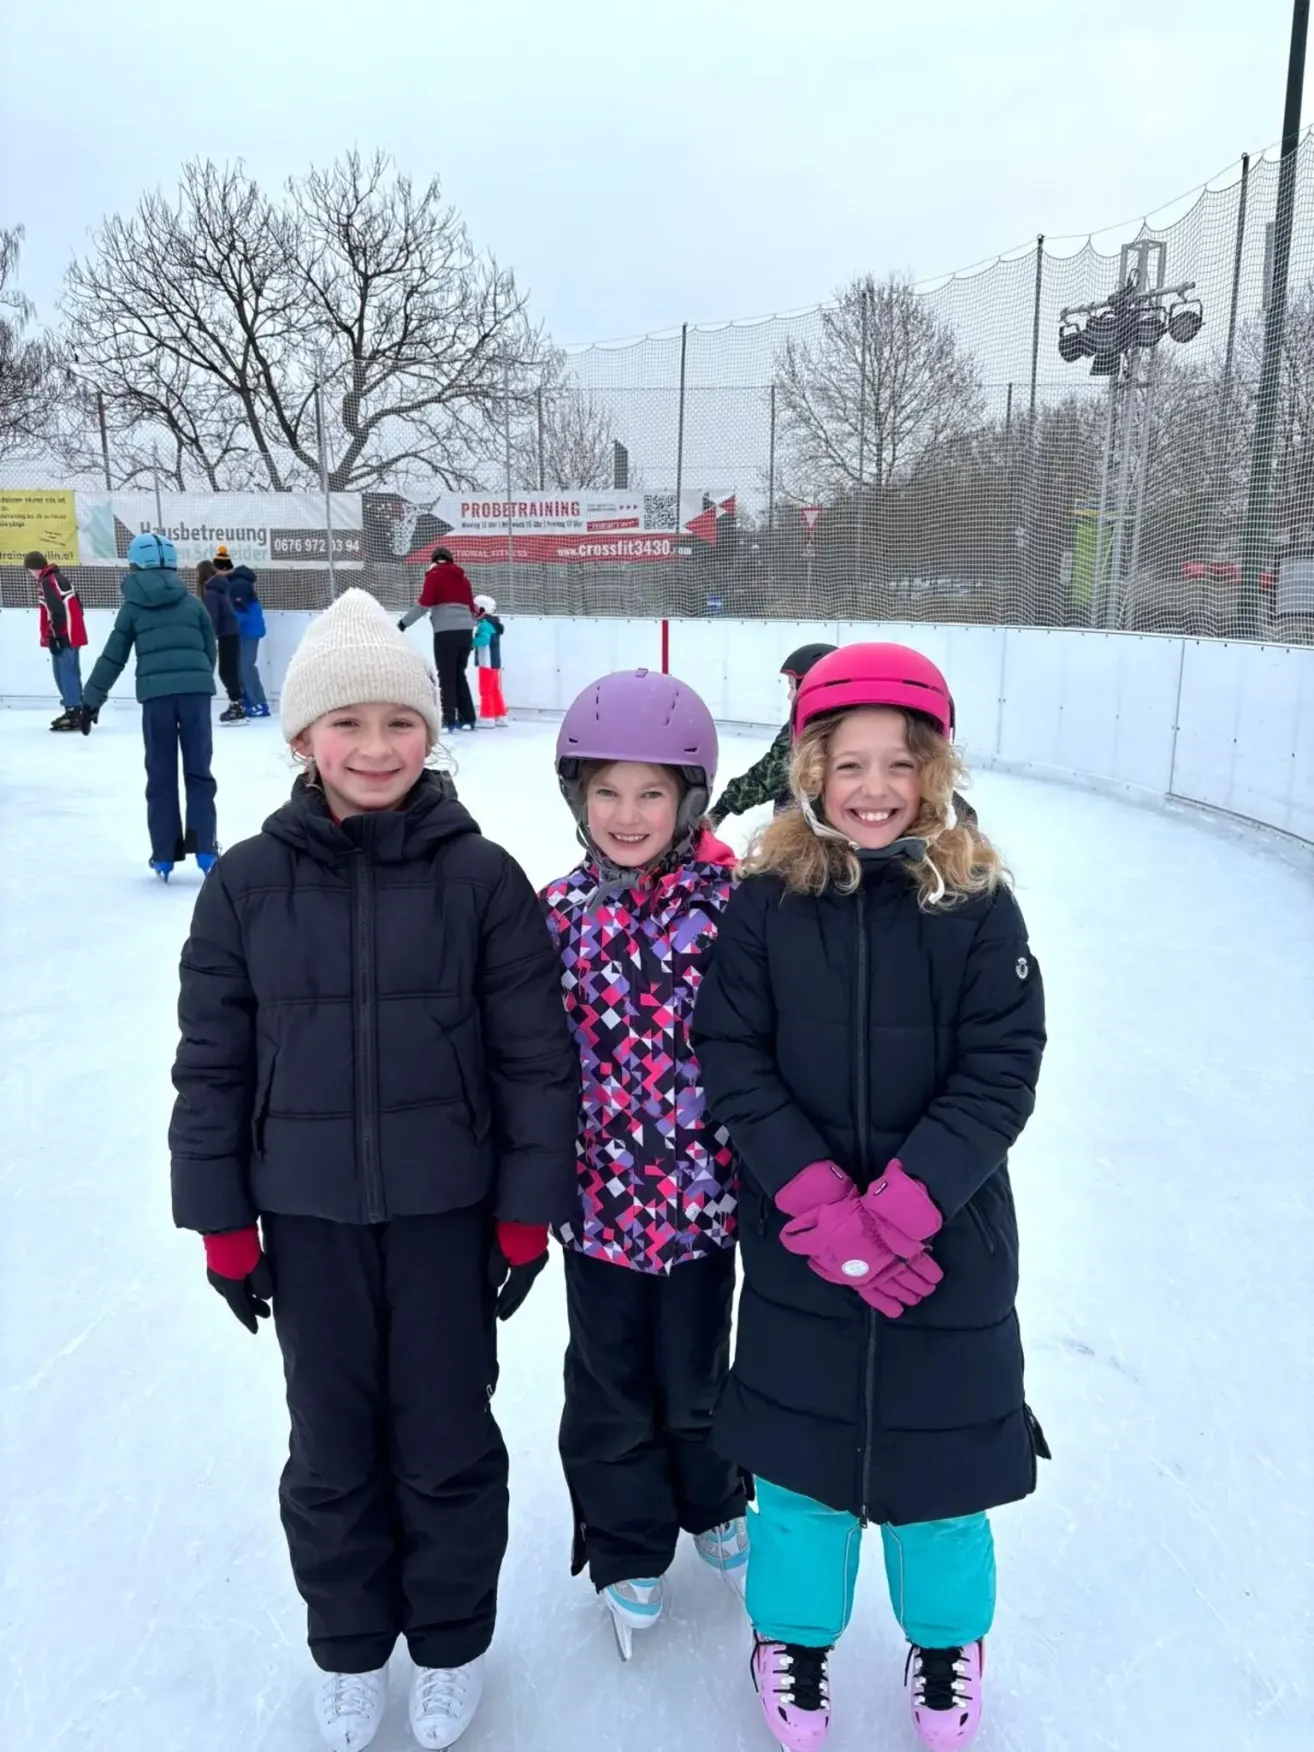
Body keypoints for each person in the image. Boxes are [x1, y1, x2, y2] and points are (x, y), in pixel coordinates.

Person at [168, 588, 579, 1752]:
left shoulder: (484, 881)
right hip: (307, 1221)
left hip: (450, 1214)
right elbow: (212, 1065)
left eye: (399, 723)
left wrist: (521, 1218)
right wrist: (221, 1225)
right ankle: (350, 1649)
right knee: (334, 1447)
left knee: (448, 1438)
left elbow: (534, 1063)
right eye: (346, 725)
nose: (376, 748)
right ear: (302, 741)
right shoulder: (246, 885)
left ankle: (448, 1646)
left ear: (429, 731)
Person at [691, 644, 1048, 1751]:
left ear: (934, 769)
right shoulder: (765, 903)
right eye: (850, 764)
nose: (875, 787)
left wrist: (894, 1214)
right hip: (801, 1246)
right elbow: (732, 1056)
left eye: (900, 763)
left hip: (948, 1246)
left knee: (945, 1470)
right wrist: (824, 1209)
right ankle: (790, 1637)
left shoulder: (979, 905)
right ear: (809, 768)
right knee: (799, 1472)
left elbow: (1002, 1069)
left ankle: (946, 1645)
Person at [541, 668, 749, 1659]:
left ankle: (713, 1495)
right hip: (596, 1216)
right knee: (610, 1387)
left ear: (690, 802)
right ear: (578, 800)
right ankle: (626, 1547)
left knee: (699, 1378)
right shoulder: (558, 915)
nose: (627, 815)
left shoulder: (734, 912)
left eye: (652, 793)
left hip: (708, 1210)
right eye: (607, 793)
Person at [78, 532, 220, 882]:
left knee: (161, 773)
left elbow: (113, 657)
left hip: (156, 699)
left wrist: (91, 700)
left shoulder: (133, 609)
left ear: (135, 565)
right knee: (199, 771)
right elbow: (209, 650)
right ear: (172, 565)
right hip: (195, 696)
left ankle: (164, 855)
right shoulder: (192, 604)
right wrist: (198, 681)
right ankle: (204, 847)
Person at [707, 643, 835, 827]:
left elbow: (769, 776)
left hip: (805, 835)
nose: (790, 696)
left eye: (793, 687)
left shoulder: (806, 731)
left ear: (814, 688)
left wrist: (722, 807)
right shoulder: (847, 724)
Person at [399, 546, 477, 732]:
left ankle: (448, 719)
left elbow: (423, 604)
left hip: (446, 631)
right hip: (466, 630)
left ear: (434, 560)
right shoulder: (463, 578)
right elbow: (471, 606)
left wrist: (403, 623)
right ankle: (468, 719)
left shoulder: (434, 576)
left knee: (446, 675)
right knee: (459, 673)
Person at [25, 549, 88, 731]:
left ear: (34, 568)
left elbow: (57, 611)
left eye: (29, 570)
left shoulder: (48, 581)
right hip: (69, 633)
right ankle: (75, 708)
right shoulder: (55, 578)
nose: (29, 574)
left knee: (64, 673)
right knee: (67, 671)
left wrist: (57, 635)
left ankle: (74, 711)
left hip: (64, 635)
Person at [213, 544, 270, 718]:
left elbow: (240, 612)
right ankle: (251, 701)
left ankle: (256, 703)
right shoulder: (239, 583)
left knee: (246, 666)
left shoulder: (237, 585)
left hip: (247, 633)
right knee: (242, 666)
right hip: (248, 631)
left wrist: (226, 627)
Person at [196, 558, 246, 724]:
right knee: (229, 670)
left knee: (227, 671)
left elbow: (212, 619)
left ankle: (237, 707)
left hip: (227, 634)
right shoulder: (220, 588)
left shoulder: (211, 593)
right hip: (231, 633)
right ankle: (237, 704)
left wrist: (207, 636)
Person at [471, 593, 507, 727]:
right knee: (495, 689)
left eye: (475, 609)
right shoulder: (494, 624)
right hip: (494, 663)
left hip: (486, 662)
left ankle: (487, 716)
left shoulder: (484, 625)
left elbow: (484, 640)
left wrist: (471, 642)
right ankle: (500, 715)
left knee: (485, 690)